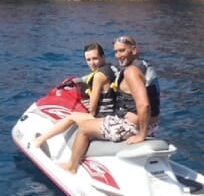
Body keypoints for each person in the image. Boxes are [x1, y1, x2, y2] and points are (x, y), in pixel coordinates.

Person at [60, 35, 160, 174]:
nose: (118, 55)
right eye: (116, 51)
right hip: (151, 126)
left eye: (122, 51)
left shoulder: (131, 72)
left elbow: (144, 105)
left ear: (134, 50)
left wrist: (141, 135)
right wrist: (79, 80)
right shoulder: (144, 66)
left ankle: (72, 166)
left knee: (84, 128)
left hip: (131, 127)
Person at [33, 43, 117, 149]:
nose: (92, 63)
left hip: (104, 118)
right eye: (88, 60)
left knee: (71, 117)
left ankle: (40, 140)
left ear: (103, 57)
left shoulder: (98, 76)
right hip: (114, 114)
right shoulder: (111, 68)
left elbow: (92, 110)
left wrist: (89, 104)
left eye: (95, 59)